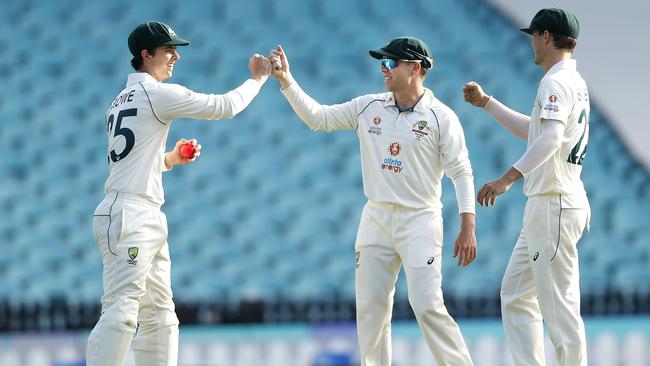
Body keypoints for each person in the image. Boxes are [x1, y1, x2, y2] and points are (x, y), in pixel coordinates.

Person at [269, 37, 477, 366]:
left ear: (415, 68)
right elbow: (319, 118)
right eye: (382, 63)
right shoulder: (369, 107)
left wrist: (468, 225)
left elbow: (462, 172)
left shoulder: (441, 117)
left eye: (391, 63)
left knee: (426, 305)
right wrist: (286, 80)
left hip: (420, 220)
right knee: (371, 310)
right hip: (376, 218)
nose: (384, 69)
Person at [86, 21, 271, 366]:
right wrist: (258, 78)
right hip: (130, 214)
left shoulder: (118, 101)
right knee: (124, 309)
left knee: (161, 317)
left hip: (141, 211)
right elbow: (224, 106)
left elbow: (135, 161)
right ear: (146, 54)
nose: (175, 57)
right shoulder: (154, 93)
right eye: (168, 50)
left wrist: (170, 158)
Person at [463, 8, 590, 366]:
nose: (531, 44)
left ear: (546, 37)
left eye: (534, 36)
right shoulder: (572, 81)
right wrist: (488, 103)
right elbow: (536, 132)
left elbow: (549, 140)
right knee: (516, 294)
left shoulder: (554, 82)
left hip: (553, 204)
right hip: (550, 204)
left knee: (559, 307)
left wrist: (507, 178)